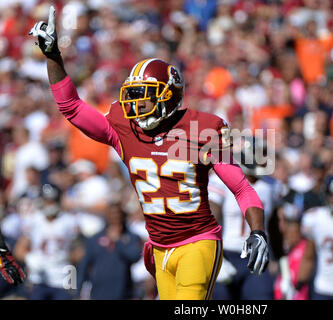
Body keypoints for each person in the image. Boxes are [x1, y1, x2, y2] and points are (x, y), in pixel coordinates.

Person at [29, 7, 269, 300]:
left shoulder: (200, 129)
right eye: (133, 94)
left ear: (168, 96)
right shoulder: (125, 129)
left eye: (145, 94)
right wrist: (53, 57)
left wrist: (258, 231)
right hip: (158, 248)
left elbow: (242, 187)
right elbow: (72, 108)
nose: (135, 103)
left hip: (198, 242)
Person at [209, 137, 274, 300]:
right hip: (227, 254)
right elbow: (211, 216)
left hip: (257, 256)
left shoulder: (272, 186)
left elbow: (274, 226)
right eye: (259, 155)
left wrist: (282, 261)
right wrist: (215, 255)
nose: (263, 160)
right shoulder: (222, 179)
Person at [76, 203, 142, 300]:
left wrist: (118, 242)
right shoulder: (95, 239)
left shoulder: (131, 237)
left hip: (124, 293)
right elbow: (83, 267)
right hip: (98, 294)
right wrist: (77, 293)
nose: (115, 218)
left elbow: (135, 257)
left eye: (118, 215)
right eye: (112, 215)